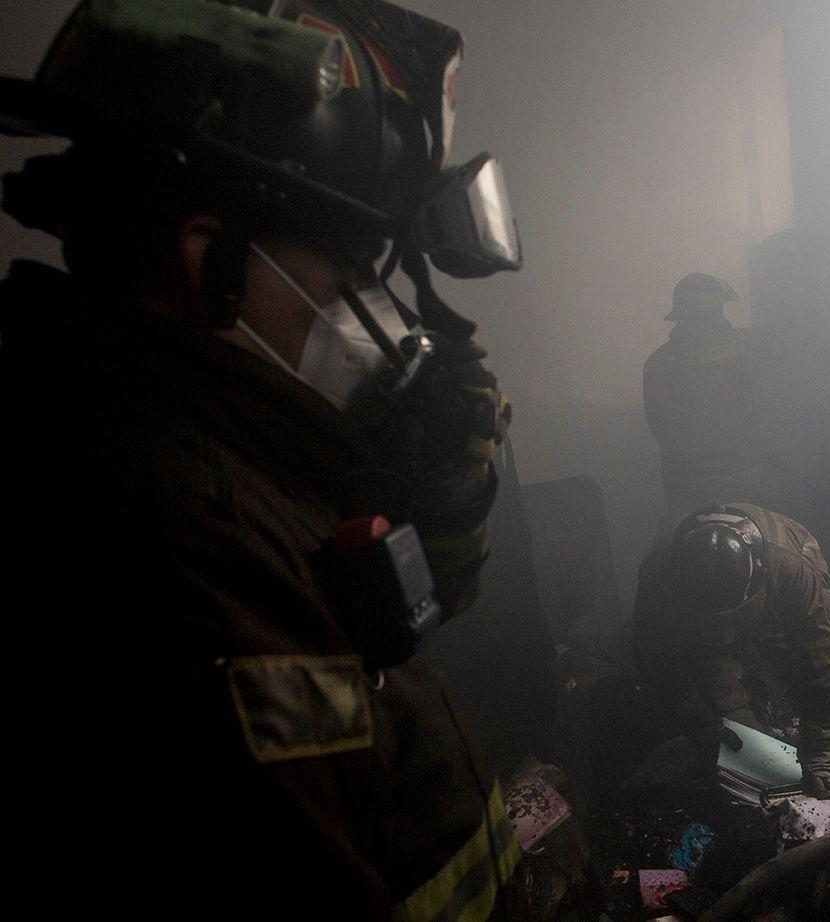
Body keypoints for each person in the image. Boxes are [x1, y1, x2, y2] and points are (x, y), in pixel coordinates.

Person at [2, 1, 525, 916]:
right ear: (210, 266)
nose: (385, 318)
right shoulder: (184, 547)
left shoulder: (235, 459)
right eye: (352, 272)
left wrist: (440, 491)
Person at [634, 503, 830, 801]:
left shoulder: (793, 569)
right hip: (706, 625)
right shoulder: (660, 571)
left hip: (781, 599)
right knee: (725, 709)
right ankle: (755, 753)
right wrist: (699, 720)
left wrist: (821, 749)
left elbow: (823, 659)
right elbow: (655, 655)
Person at [642, 272, 783, 514]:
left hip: (686, 488)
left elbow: (661, 427)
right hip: (744, 479)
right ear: (714, 312)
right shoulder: (746, 346)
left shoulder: (657, 363)